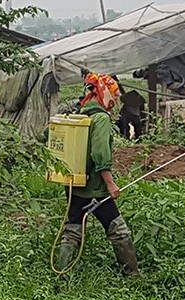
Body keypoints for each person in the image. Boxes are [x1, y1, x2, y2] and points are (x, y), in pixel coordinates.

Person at [58, 73, 139, 276]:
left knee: (72, 230)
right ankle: (133, 275)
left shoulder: (80, 113)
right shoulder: (101, 118)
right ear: (103, 93)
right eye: (113, 94)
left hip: (74, 184)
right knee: (118, 230)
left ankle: (60, 273)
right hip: (95, 188)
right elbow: (99, 153)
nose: (114, 100)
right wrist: (110, 184)